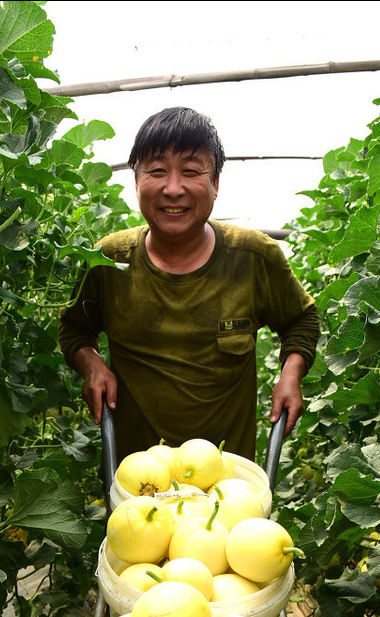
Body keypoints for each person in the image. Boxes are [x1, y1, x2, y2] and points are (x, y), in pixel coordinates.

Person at [59, 107, 319, 463]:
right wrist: (92, 365)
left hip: (228, 485)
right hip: (138, 481)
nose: (173, 188)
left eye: (192, 171)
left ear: (215, 184)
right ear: (137, 183)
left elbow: (300, 320)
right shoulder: (109, 260)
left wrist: (291, 374)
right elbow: (74, 329)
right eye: (157, 171)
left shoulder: (255, 257)